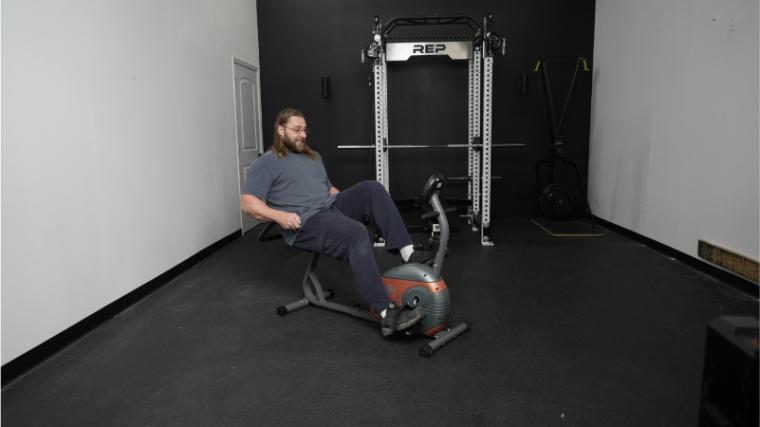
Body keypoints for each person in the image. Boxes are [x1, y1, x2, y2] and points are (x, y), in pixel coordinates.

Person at [240, 107, 435, 337]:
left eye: (305, 130)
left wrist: (346, 202)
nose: (303, 135)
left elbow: (328, 189)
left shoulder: (314, 157)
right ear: (280, 130)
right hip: (306, 222)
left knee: (371, 188)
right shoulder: (267, 162)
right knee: (356, 232)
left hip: (330, 208)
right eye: (297, 130)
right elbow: (247, 203)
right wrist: (280, 216)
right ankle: (387, 315)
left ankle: (407, 251)